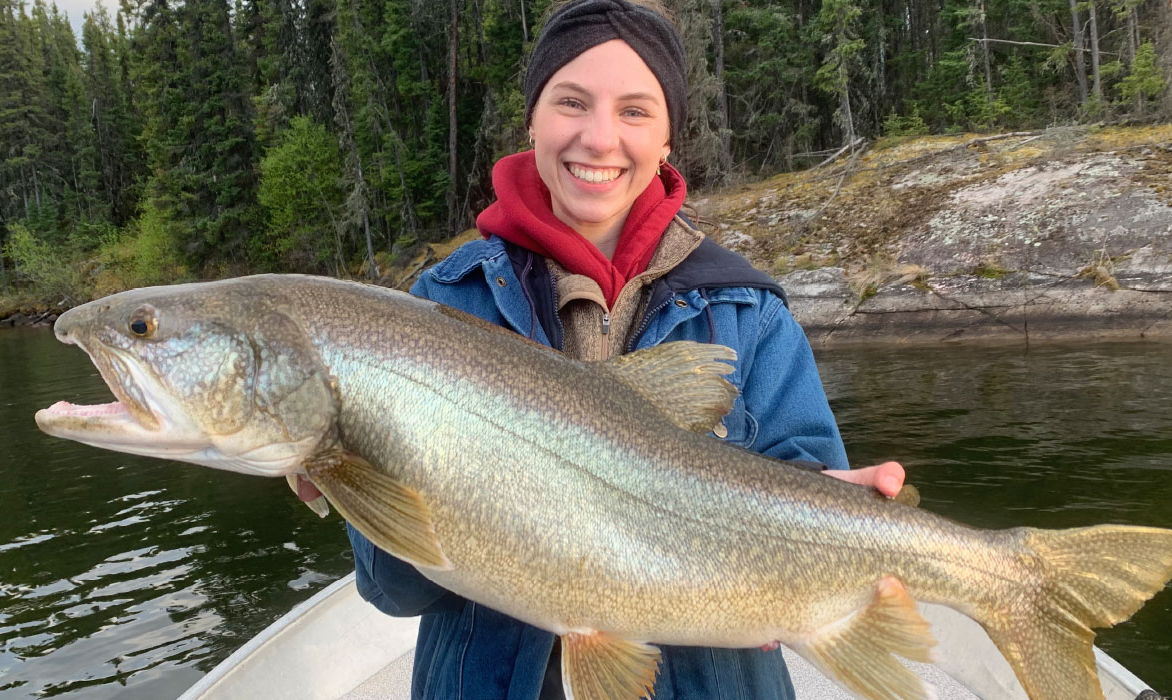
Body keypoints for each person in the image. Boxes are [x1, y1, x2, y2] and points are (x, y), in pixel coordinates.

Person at [344, 1, 906, 697]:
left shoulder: (748, 313)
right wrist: (357, 470)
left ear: (670, 135)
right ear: (533, 118)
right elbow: (393, 592)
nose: (599, 137)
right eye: (571, 102)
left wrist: (822, 517)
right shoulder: (438, 306)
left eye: (636, 111)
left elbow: (810, 476)